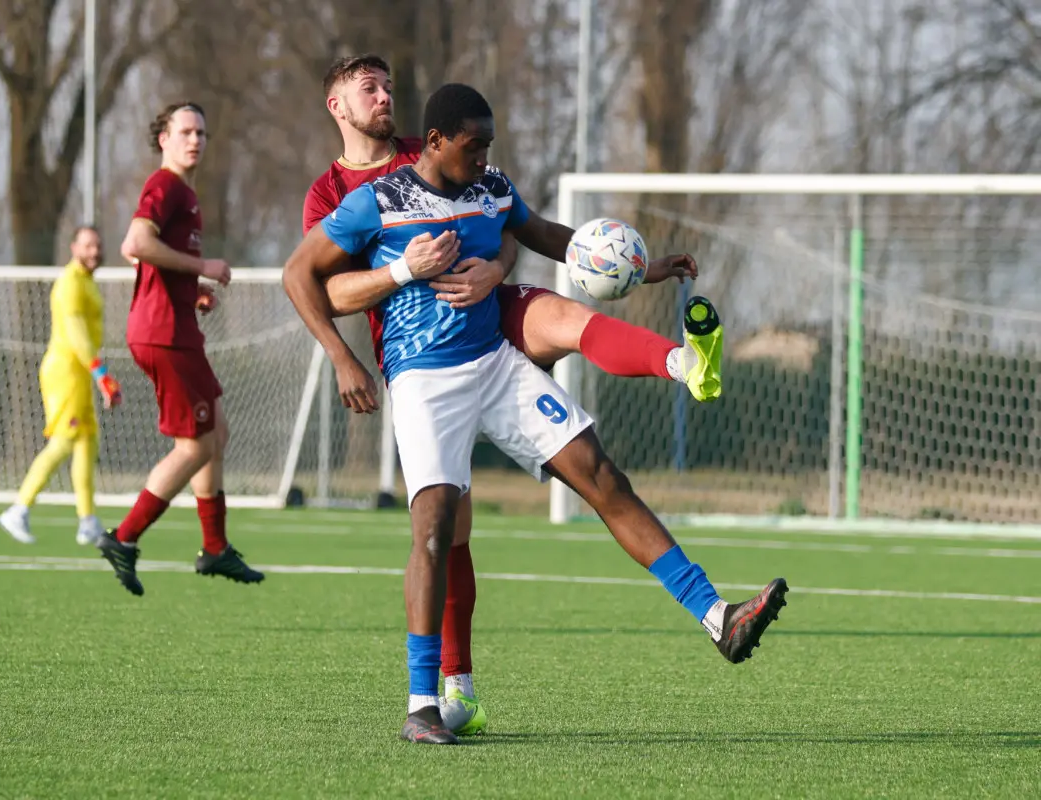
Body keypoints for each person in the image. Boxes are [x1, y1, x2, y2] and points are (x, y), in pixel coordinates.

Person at [284, 83, 788, 745]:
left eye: (489, 142)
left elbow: (546, 235)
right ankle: (421, 704)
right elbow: (300, 274)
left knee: (602, 476)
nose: (485, 155)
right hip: (423, 381)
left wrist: (643, 268)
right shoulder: (378, 201)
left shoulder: (491, 186)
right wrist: (344, 360)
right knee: (433, 530)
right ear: (435, 143)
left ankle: (717, 617)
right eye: (473, 144)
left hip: (494, 364)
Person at [95, 102, 263, 596]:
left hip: (178, 328)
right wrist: (203, 267)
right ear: (164, 138)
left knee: (216, 430)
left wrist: (193, 290)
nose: (196, 140)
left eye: (202, 133)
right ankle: (124, 539)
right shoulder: (164, 185)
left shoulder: (183, 193)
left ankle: (214, 548)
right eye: (185, 131)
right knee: (195, 445)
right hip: (163, 333)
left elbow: (143, 256)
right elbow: (136, 242)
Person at [0, 226, 119, 546]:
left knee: (87, 442)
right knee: (64, 442)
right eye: (88, 246)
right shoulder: (69, 283)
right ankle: (19, 509)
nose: (94, 252)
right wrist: (102, 375)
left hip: (80, 373)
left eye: (98, 245)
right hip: (66, 372)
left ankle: (88, 521)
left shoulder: (87, 282)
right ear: (73, 247)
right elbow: (77, 334)